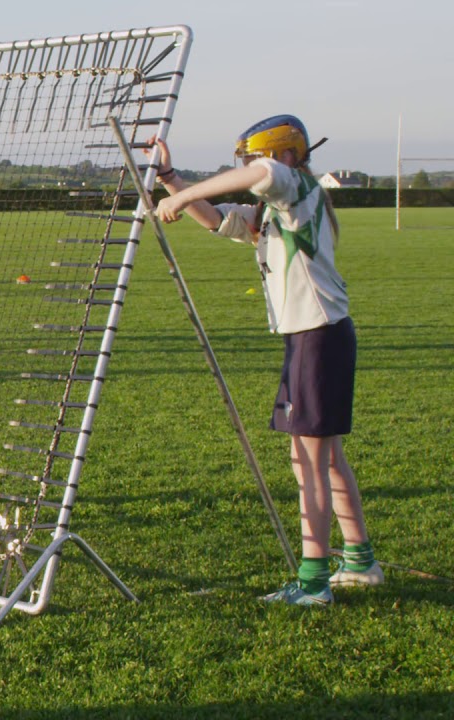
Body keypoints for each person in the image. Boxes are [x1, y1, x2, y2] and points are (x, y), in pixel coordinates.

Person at [152, 115, 381, 606]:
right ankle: (360, 562)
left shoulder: (293, 184)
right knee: (328, 458)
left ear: (285, 156)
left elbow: (258, 177)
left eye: (257, 157)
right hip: (318, 338)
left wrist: (181, 197)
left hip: (317, 338)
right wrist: (173, 181)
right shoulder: (280, 208)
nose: (251, 167)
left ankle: (315, 583)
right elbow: (219, 218)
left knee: (308, 462)